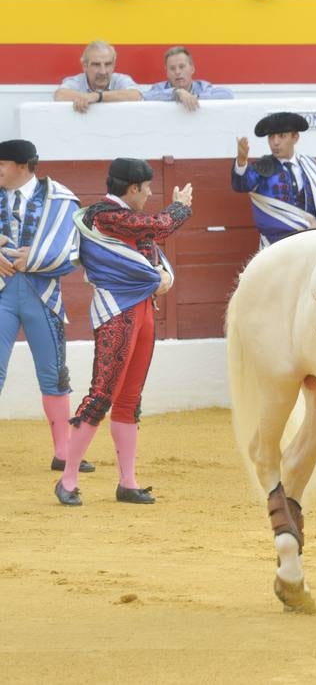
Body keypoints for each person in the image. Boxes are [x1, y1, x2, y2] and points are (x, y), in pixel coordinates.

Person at [57, 159, 193, 507]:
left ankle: (127, 482)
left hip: (142, 308)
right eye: (146, 189)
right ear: (132, 189)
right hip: (116, 311)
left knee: (130, 399)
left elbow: (152, 248)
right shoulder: (103, 216)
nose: (149, 195)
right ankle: (68, 480)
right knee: (102, 394)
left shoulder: (123, 222)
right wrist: (180, 207)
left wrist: (161, 279)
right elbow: (158, 226)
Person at [0, 140, 85, 475]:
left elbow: (70, 248)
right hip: (3, 292)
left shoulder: (60, 199)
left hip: (42, 293)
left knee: (53, 374)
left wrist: (31, 259)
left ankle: (63, 452)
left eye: (2, 164)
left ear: (21, 166)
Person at [232, 111, 316, 248]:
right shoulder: (261, 168)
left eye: (282, 136)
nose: (275, 142)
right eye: (271, 137)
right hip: (275, 246)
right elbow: (242, 184)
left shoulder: (314, 168)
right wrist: (242, 162)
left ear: (295, 137)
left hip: (312, 243)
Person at [54, 41, 144, 113]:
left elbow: (136, 95)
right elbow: (59, 95)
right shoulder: (77, 81)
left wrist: (97, 96)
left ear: (113, 65)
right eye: (96, 65)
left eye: (108, 64)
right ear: (85, 66)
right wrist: (89, 97)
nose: (103, 71)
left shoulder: (120, 79)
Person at [142, 46, 235, 109]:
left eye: (182, 67)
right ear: (166, 72)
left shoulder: (202, 87)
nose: (177, 72)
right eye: (172, 68)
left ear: (192, 69)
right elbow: (145, 97)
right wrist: (176, 93)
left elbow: (228, 94)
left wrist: (193, 97)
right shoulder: (158, 88)